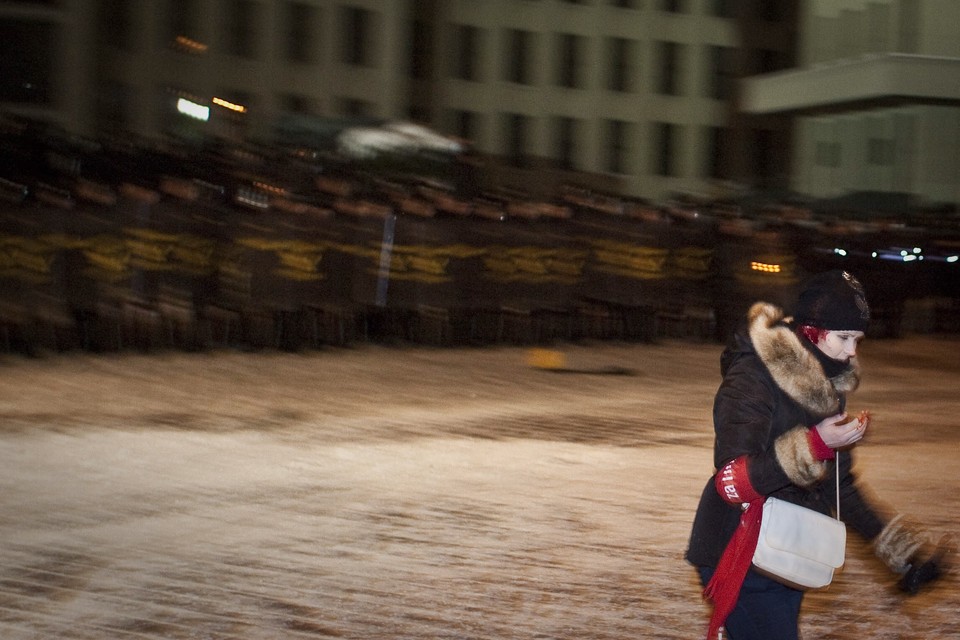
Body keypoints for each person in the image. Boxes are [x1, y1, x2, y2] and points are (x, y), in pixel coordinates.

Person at [686, 270, 949, 640]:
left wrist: (903, 556)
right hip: (738, 550)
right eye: (843, 338)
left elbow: (839, 488)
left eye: (858, 340)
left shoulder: (825, 386)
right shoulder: (752, 377)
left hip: (786, 550)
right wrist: (813, 445)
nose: (852, 352)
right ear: (810, 331)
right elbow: (732, 483)